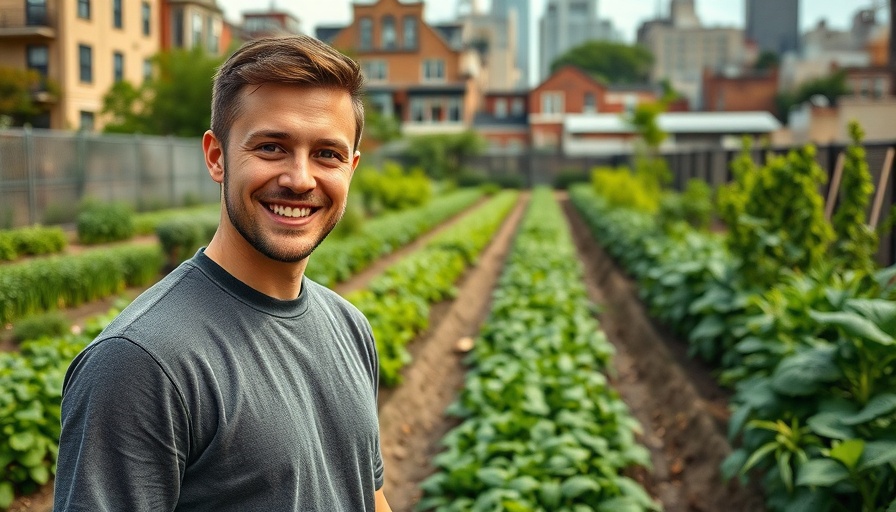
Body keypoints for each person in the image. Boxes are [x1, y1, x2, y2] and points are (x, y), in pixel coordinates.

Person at [54, 35, 392, 511]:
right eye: (272, 147)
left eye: (327, 154)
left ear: (351, 168)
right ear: (217, 156)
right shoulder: (141, 363)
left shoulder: (350, 327)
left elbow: (368, 496)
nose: (300, 179)